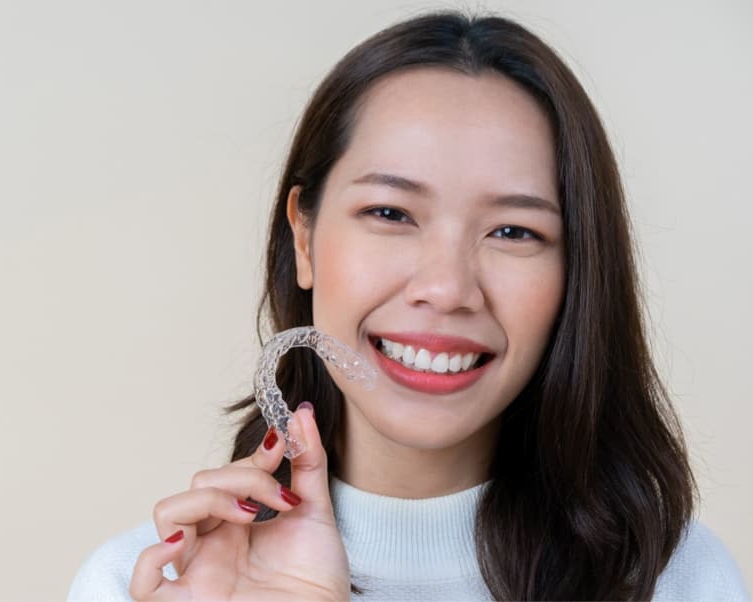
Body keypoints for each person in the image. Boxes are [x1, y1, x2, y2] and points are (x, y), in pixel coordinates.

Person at [68, 11, 749, 601]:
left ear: (577, 272)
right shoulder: (149, 584)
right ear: (304, 237)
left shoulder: (676, 583)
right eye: (391, 213)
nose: (447, 288)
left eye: (514, 231)